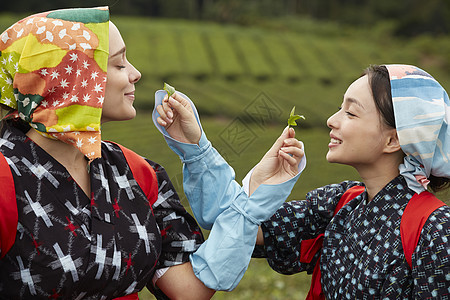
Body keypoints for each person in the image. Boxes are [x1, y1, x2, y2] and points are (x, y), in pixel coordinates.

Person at [0, 7, 305, 299]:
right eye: (119, 64)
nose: (136, 74)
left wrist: (249, 196)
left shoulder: (139, 174)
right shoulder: (5, 177)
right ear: (72, 79)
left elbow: (187, 289)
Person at [249, 65, 449, 298]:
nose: (331, 121)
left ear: (393, 140)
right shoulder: (341, 203)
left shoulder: (436, 229)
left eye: (351, 113)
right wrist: (263, 180)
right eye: (338, 109)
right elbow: (254, 229)